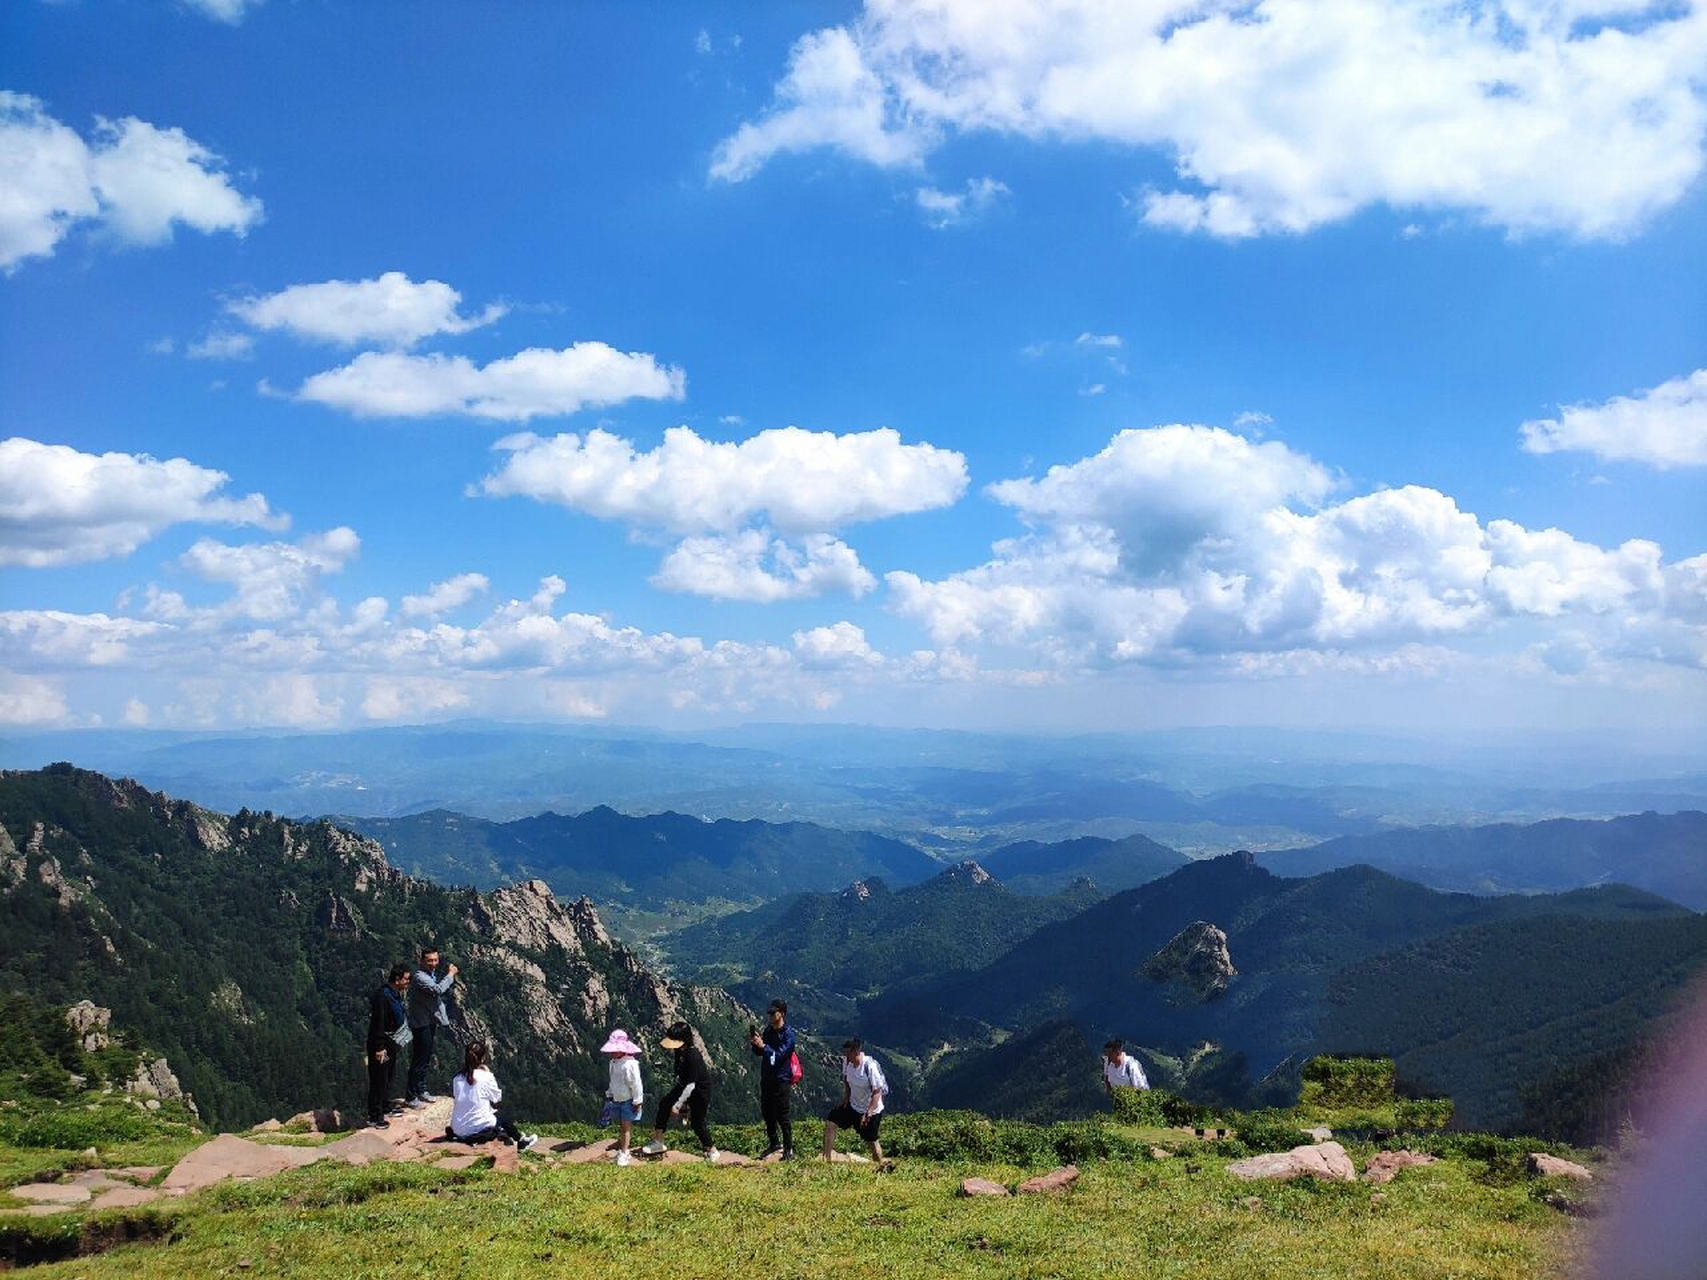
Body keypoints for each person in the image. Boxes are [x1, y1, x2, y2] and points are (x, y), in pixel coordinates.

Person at [641, 1021, 716, 1162]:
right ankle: (658, 1141)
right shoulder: (680, 1051)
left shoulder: (693, 1056)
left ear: (683, 1040)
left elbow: (691, 1085)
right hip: (683, 1086)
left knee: (697, 1123)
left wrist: (678, 1105)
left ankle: (711, 1150)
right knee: (664, 1104)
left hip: (699, 1090)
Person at [448, 1040, 538, 1151]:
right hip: (477, 1128)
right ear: (483, 1058)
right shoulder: (486, 1076)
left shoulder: (457, 1079)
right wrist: (487, 1072)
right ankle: (521, 1141)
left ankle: (511, 1136)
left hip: (458, 1129)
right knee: (502, 1116)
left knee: (489, 1114)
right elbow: (496, 1098)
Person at [406, 946, 458, 1107]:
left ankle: (421, 1090)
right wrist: (450, 975)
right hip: (421, 1023)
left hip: (429, 1021)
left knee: (425, 1058)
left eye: (435, 960)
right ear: (421, 961)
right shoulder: (420, 977)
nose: (433, 963)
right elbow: (438, 990)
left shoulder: (430, 974)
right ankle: (411, 1096)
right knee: (419, 1060)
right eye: (429, 960)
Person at [823, 1038, 888, 1165]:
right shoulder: (847, 1063)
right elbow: (846, 1081)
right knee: (832, 1120)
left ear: (857, 1052)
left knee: (872, 1141)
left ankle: (881, 1164)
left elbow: (877, 1092)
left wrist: (869, 1112)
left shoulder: (870, 1066)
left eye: (848, 1053)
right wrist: (846, 1099)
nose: (846, 1056)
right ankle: (827, 1158)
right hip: (853, 1106)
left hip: (871, 1111)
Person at [365, 963, 412, 1129]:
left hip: (391, 1042)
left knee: (388, 1076)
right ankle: (375, 1116)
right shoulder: (383, 997)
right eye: (407, 979)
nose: (408, 982)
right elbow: (378, 1023)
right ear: (397, 979)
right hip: (381, 1044)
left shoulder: (394, 994)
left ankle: (385, 1106)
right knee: (379, 1079)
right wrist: (379, 1047)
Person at [749, 999, 796, 1159]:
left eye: (772, 1013)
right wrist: (756, 1045)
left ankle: (789, 1149)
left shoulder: (788, 1035)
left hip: (782, 1079)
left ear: (782, 1013)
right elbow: (761, 1053)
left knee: (783, 1115)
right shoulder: (769, 1031)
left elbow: (779, 1056)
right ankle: (774, 1143)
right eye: (769, 1012)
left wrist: (763, 1047)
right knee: (767, 1112)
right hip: (767, 1078)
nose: (769, 1015)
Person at [601, 1028, 644, 1167]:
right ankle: (622, 1146)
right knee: (621, 1125)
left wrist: (638, 1100)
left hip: (628, 1100)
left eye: (615, 1050)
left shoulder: (630, 1064)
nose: (613, 1053)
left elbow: (636, 1083)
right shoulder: (613, 1063)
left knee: (626, 1127)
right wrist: (609, 1093)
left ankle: (625, 1152)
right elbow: (612, 1080)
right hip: (617, 1099)